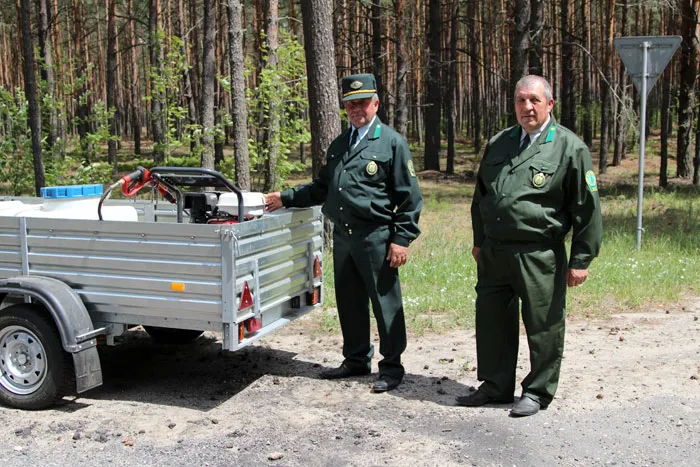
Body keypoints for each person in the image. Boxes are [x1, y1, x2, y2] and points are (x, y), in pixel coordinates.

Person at [264, 73, 422, 392]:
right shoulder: (340, 144)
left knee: (386, 303)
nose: (356, 109)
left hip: (377, 236)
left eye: (362, 102)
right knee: (349, 302)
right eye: (350, 104)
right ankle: (356, 359)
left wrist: (401, 239)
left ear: (376, 103)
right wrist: (286, 197)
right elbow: (323, 187)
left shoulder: (391, 142)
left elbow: (410, 197)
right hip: (344, 237)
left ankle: (392, 367)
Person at [457, 75, 602, 416]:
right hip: (495, 253)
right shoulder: (500, 142)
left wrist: (581, 259)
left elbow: (587, 209)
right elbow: (481, 196)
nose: (527, 107)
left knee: (544, 326)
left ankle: (537, 392)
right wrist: (479, 241)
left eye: (534, 100)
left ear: (550, 104)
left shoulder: (569, 147)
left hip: (539, 254)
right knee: (492, 321)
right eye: (521, 100)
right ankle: (495, 385)